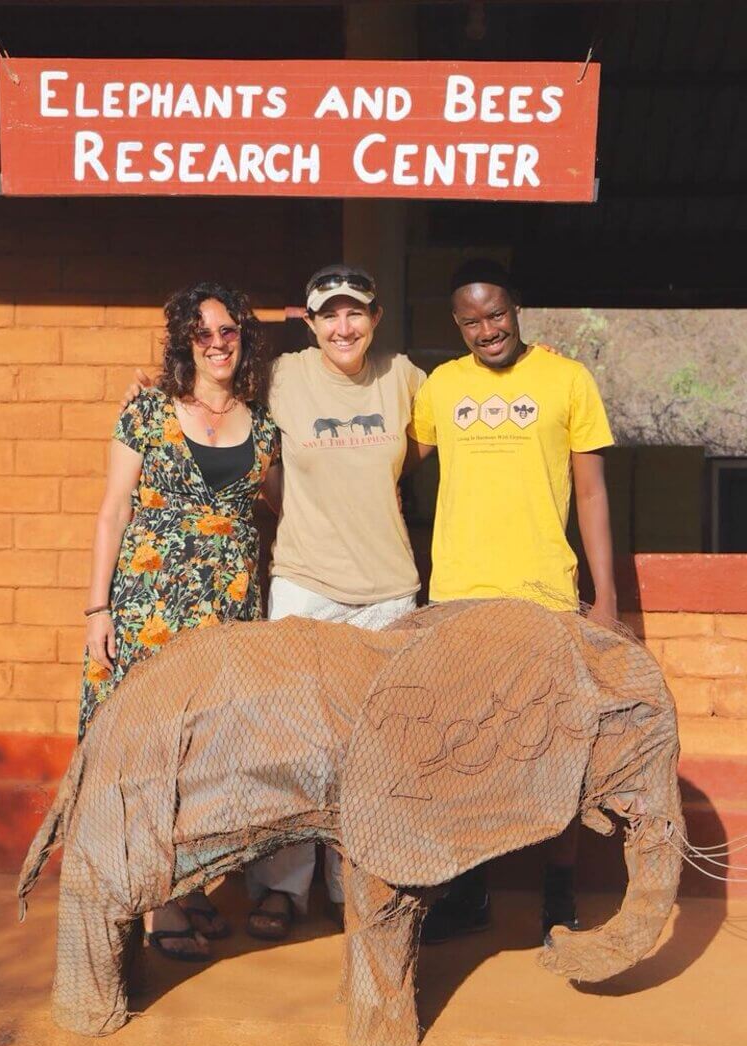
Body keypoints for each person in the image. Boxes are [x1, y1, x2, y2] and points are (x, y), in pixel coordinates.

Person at [124, 265, 425, 941]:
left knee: (373, 749)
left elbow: (432, 442)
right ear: (312, 323)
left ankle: (359, 888)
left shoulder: (405, 378)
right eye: (329, 315)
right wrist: (149, 386)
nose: (343, 327)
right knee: (289, 744)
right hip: (305, 583)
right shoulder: (285, 376)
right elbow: (209, 388)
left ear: (375, 318)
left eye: (355, 314)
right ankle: (282, 886)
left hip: (388, 590)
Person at [406, 257, 617, 944]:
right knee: (463, 749)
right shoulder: (440, 386)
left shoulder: (566, 378)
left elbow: (590, 492)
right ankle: (471, 893)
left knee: (556, 749)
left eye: (495, 314)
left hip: (544, 594)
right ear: (457, 325)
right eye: (471, 321)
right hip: (459, 596)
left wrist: (604, 596)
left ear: (515, 306)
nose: (487, 329)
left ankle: (558, 895)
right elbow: (393, 460)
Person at [82, 280, 279, 962]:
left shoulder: (265, 425)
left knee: (205, 755)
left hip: (227, 612)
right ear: (184, 343)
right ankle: (159, 905)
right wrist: (97, 607)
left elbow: (278, 510)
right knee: (152, 750)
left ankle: (187, 883)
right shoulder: (146, 410)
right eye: (203, 333)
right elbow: (112, 511)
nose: (218, 343)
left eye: (229, 332)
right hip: (151, 605)